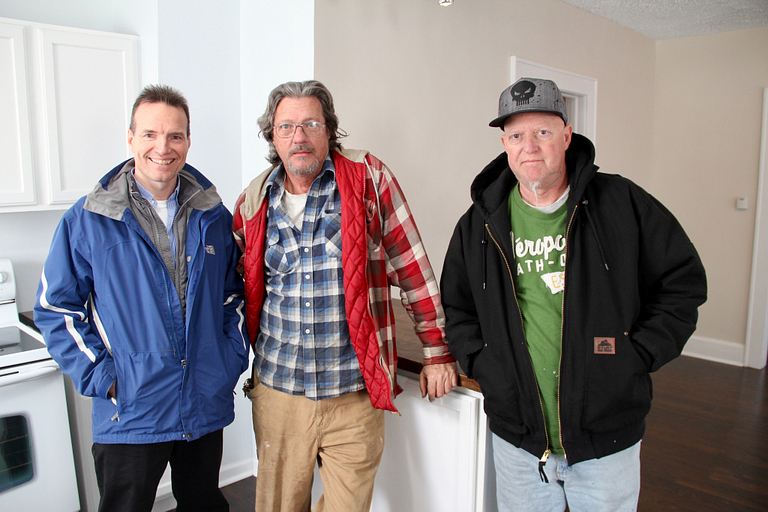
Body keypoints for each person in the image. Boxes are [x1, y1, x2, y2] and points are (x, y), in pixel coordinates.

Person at [440, 77, 707, 511]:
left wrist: (634, 355)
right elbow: (458, 307)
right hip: (519, 440)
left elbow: (682, 282)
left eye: (543, 132)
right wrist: (484, 364)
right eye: (516, 135)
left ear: (566, 135)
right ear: (504, 143)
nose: (530, 146)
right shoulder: (478, 224)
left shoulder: (621, 203)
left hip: (607, 437)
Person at [233, 80, 458, 512]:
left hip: (353, 395)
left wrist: (436, 349)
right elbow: (230, 290)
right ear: (272, 136)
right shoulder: (253, 199)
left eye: (311, 124)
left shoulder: (368, 178)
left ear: (329, 130)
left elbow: (412, 266)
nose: (299, 137)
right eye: (286, 127)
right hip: (279, 396)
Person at [34, 84, 249, 512]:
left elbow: (234, 297)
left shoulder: (214, 216)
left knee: (204, 504)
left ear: (188, 141)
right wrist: (104, 378)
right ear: (130, 138)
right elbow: (57, 309)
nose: (162, 147)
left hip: (202, 398)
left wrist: (228, 359)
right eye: (150, 134)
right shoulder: (89, 218)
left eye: (174, 136)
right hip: (131, 407)